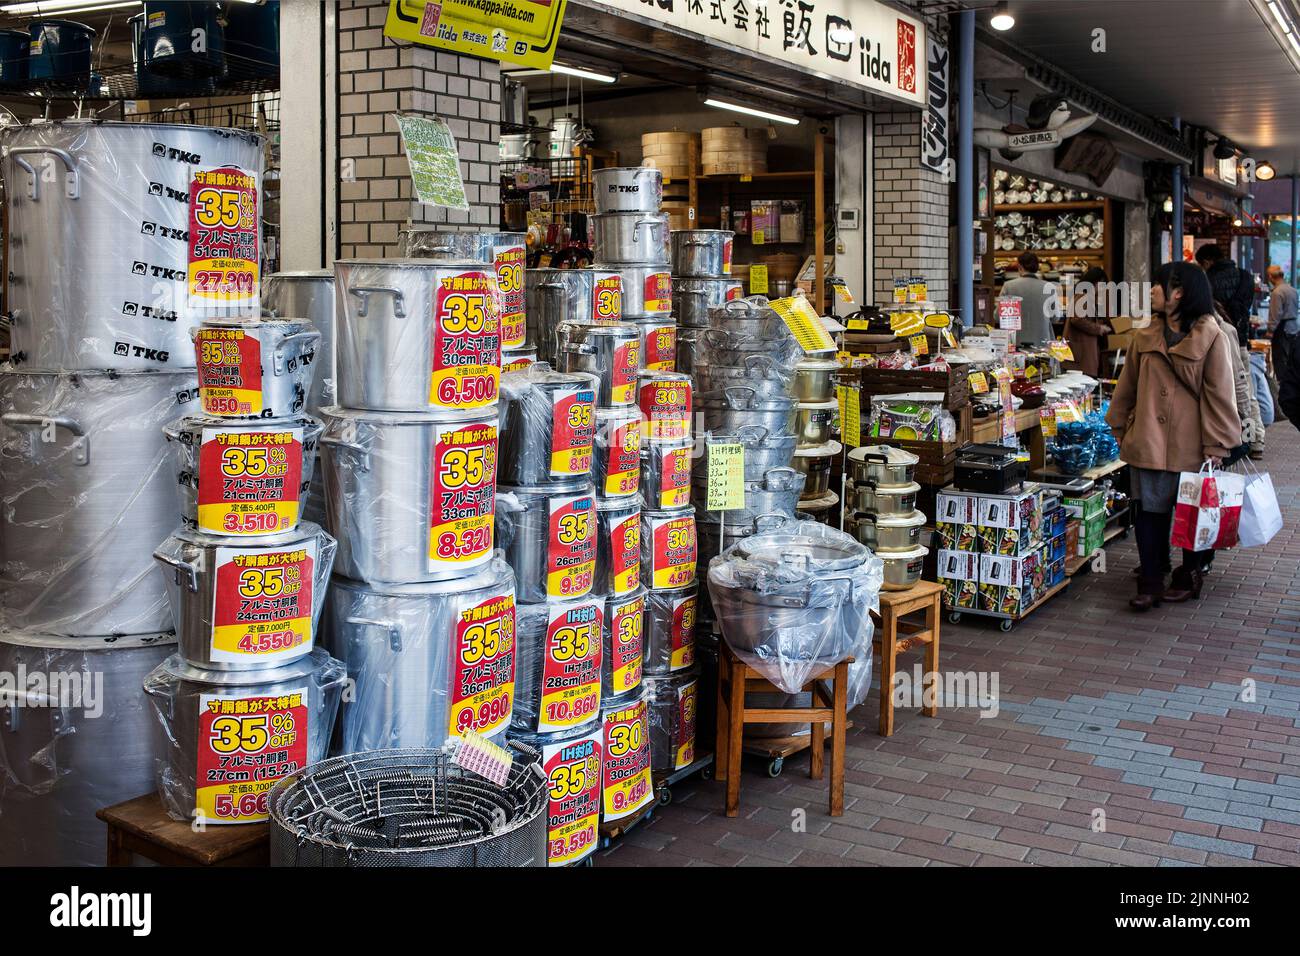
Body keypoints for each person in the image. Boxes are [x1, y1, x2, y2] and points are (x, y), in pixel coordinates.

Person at [1106, 262, 1241, 612]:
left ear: (1178, 292)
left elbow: (1220, 394)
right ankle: (1150, 579)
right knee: (1149, 514)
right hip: (1148, 439)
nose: (1151, 291)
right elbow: (1127, 387)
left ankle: (1188, 574)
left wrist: (1217, 444)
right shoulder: (1144, 335)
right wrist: (1120, 428)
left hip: (1192, 444)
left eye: (1157, 285)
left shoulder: (1212, 335)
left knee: (1191, 514)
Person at [1194, 243, 1254, 345]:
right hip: (1241, 336)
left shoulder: (1206, 281)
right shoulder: (1245, 276)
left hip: (1216, 339)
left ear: (1207, 263)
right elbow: (1247, 303)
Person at [1001, 252, 1060, 348]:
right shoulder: (1049, 287)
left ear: (1019, 266)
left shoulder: (1008, 286)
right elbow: (1055, 318)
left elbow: (997, 316)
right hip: (1042, 342)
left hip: (1015, 343)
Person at [1063, 266, 1112, 377]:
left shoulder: (1084, 296)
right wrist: (1099, 328)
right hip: (1081, 354)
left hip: (1081, 353)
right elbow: (1077, 319)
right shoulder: (1083, 296)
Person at [1266, 264, 1297, 334]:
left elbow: (1275, 316)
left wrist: (1270, 331)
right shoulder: (1293, 290)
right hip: (1294, 329)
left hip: (1282, 332)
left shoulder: (1277, 292)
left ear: (1270, 276)